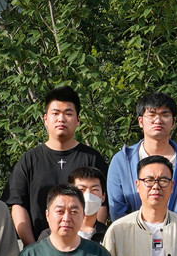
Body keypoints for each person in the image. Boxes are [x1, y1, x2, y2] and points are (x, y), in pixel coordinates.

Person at [8, 87, 107, 245]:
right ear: (45, 119)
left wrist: (92, 242)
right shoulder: (29, 160)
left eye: (68, 114)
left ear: (78, 120)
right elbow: (18, 205)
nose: (61, 119)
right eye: (55, 113)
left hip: (84, 247)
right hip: (40, 246)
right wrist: (33, 248)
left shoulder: (92, 158)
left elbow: (101, 203)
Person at [106, 92, 177, 223]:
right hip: (130, 233)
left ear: (173, 122)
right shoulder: (122, 161)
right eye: (151, 115)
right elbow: (117, 208)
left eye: (165, 115)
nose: (158, 120)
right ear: (140, 121)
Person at [71, 167, 110, 243]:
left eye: (94, 189)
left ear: (103, 197)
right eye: (81, 189)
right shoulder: (54, 234)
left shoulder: (109, 235)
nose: (88, 195)